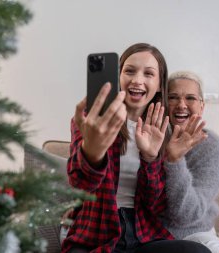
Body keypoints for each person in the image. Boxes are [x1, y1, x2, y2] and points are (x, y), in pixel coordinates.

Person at [62, 44, 210, 253]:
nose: (137, 80)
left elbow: (155, 204)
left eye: (149, 74)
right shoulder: (92, 119)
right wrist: (92, 153)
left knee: (197, 251)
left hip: (142, 237)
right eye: (129, 71)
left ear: (159, 85)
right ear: (118, 76)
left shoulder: (162, 130)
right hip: (95, 236)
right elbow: (81, 185)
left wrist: (151, 158)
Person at [163, 70, 219, 253]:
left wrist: (174, 160)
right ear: (163, 102)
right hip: (148, 234)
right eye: (173, 97)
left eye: (190, 98)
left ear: (202, 106)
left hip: (194, 232)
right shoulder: (150, 137)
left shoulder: (215, 148)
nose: (181, 105)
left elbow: (187, 215)